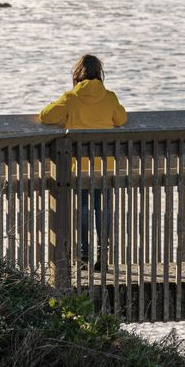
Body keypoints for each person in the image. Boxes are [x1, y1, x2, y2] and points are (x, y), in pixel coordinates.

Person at [39, 54, 127, 269]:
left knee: (84, 210)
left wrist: (59, 101)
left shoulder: (71, 98)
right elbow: (121, 119)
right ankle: (103, 256)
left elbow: (45, 117)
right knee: (104, 209)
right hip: (104, 168)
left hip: (78, 168)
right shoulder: (110, 97)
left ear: (77, 74)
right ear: (100, 74)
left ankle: (84, 256)